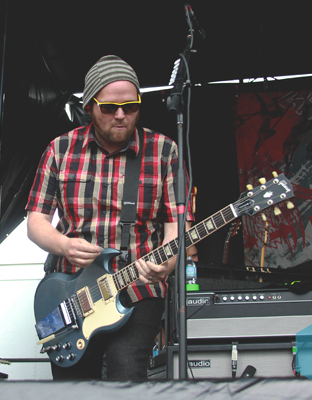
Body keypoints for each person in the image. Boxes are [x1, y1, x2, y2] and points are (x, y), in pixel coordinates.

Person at [26, 55, 194, 381]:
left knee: (126, 370)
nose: (120, 115)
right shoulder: (59, 149)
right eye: (109, 108)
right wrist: (64, 245)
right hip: (70, 292)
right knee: (73, 386)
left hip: (137, 287)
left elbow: (178, 226)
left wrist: (168, 262)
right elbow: (36, 222)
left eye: (130, 107)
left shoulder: (165, 151)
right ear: (89, 106)